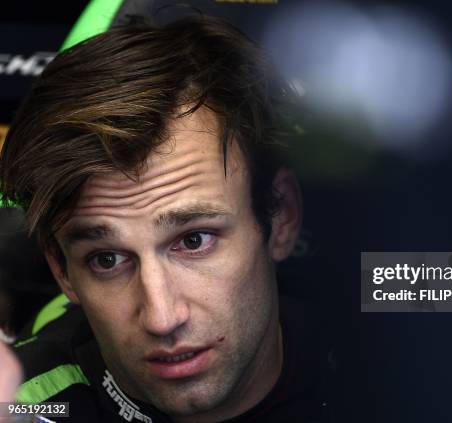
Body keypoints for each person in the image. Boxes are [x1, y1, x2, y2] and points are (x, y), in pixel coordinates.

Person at [0, 15, 332, 422]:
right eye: (107, 259)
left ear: (280, 215)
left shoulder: (406, 346)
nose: (161, 318)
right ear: (61, 270)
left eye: (194, 240)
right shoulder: (24, 404)